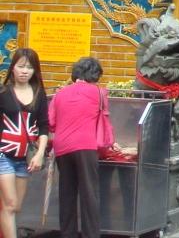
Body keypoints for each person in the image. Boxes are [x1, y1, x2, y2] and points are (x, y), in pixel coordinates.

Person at [49, 57, 112, 238]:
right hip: (86, 146)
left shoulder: (60, 94)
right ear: (95, 75)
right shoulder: (99, 92)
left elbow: (51, 122)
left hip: (62, 147)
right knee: (89, 194)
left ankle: (67, 234)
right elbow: (104, 119)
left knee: (66, 193)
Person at [0, 48, 47, 238]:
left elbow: (44, 126)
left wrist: (40, 154)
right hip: (3, 155)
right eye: (21, 66)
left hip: (24, 158)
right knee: (10, 204)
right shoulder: (3, 92)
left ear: (35, 70)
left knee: (16, 206)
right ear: (13, 68)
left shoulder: (39, 94)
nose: (25, 71)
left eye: (29, 67)